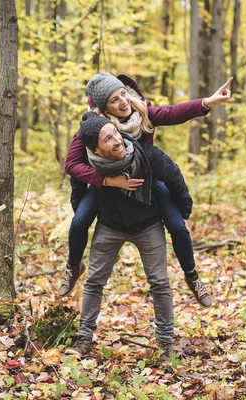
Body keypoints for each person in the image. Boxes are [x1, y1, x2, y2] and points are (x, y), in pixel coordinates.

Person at [60, 72, 232, 308]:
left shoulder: (142, 112)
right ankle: (73, 266)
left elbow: (172, 113)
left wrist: (207, 102)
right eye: (114, 100)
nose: (123, 102)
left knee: (178, 227)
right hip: (107, 184)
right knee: (79, 222)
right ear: (104, 108)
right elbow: (71, 164)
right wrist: (107, 180)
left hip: (148, 179)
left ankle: (192, 275)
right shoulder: (95, 126)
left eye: (123, 94)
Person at [65, 112, 194, 361]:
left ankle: (165, 344)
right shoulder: (90, 166)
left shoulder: (143, 153)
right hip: (110, 225)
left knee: (159, 282)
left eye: (114, 132)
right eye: (107, 139)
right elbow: (77, 190)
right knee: (94, 281)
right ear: (96, 150)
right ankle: (84, 338)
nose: (116, 140)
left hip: (148, 225)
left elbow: (174, 175)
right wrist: (84, 209)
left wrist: (183, 210)